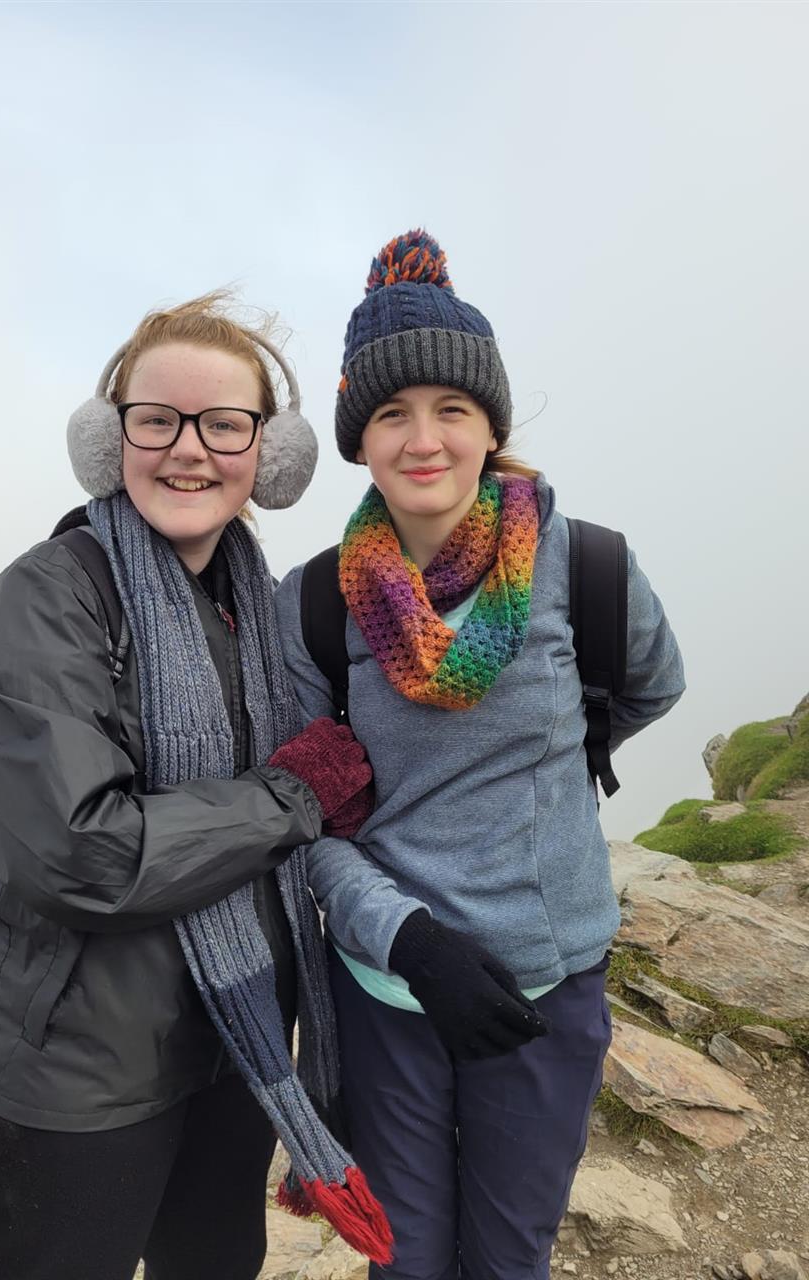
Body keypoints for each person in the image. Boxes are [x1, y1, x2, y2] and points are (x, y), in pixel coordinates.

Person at [0, 293, 392, 1280]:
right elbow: (82, 850)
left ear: (269, 453)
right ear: (110, 438)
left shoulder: (261, 609)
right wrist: (293, 796)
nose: (189, 449)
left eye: (224, 423)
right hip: (80, 1076)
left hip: (239, 1044)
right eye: (156, 419)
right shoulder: (49, 595)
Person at [274, 232, 686, 1280]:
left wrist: (540, 796)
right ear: (360, 440)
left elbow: (643, 689)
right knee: (404, 1261)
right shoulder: (314, 603)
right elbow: (300, 813)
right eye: (391, 414)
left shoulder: (586, 564)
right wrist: (409, 939)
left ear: (491, 425)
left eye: (451, 408)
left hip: (548, 987)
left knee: (510, 1258)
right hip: (384, 988)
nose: (424, 440)